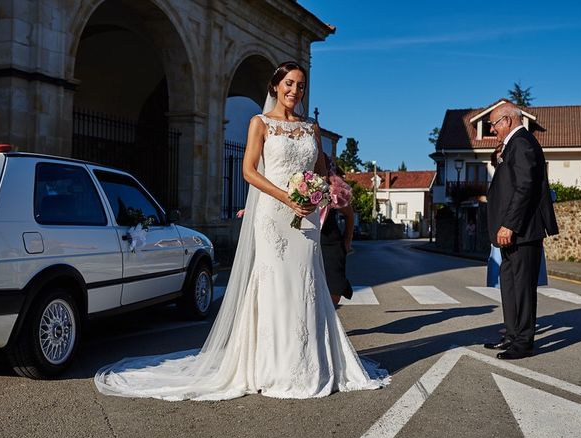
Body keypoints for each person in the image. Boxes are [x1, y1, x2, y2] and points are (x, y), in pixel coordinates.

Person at [94, 61, 390, 400]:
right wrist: (286, 197)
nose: (295, 91)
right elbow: (249, 171)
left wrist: (315, 195)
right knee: (274, 285)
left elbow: (322, 172)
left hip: (305, 218)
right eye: (290, 84)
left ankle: (310, 363)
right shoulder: (259, 123)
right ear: (276, 85)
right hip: (273, 215)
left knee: (306, 285)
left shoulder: (312, 128)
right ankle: (269, 367)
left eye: (301, 86)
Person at [483, 102, 559, 360]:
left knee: (523, 287)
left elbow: (525, 187)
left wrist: (510, 224)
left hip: (522, 230)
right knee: (510, 285)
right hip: (511, 231)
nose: (492, 129)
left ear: (508, 120)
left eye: (493, 124)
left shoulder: (523, 143)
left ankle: (524, 342)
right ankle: (512, 334)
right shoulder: (512, 145)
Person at [320, 155, 354, 306]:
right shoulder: (299, 185)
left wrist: (347, 240)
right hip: (306, 241)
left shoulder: (334, 189)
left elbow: (349, 215)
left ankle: (329, 321)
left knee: (335, 291)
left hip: (331, 243)